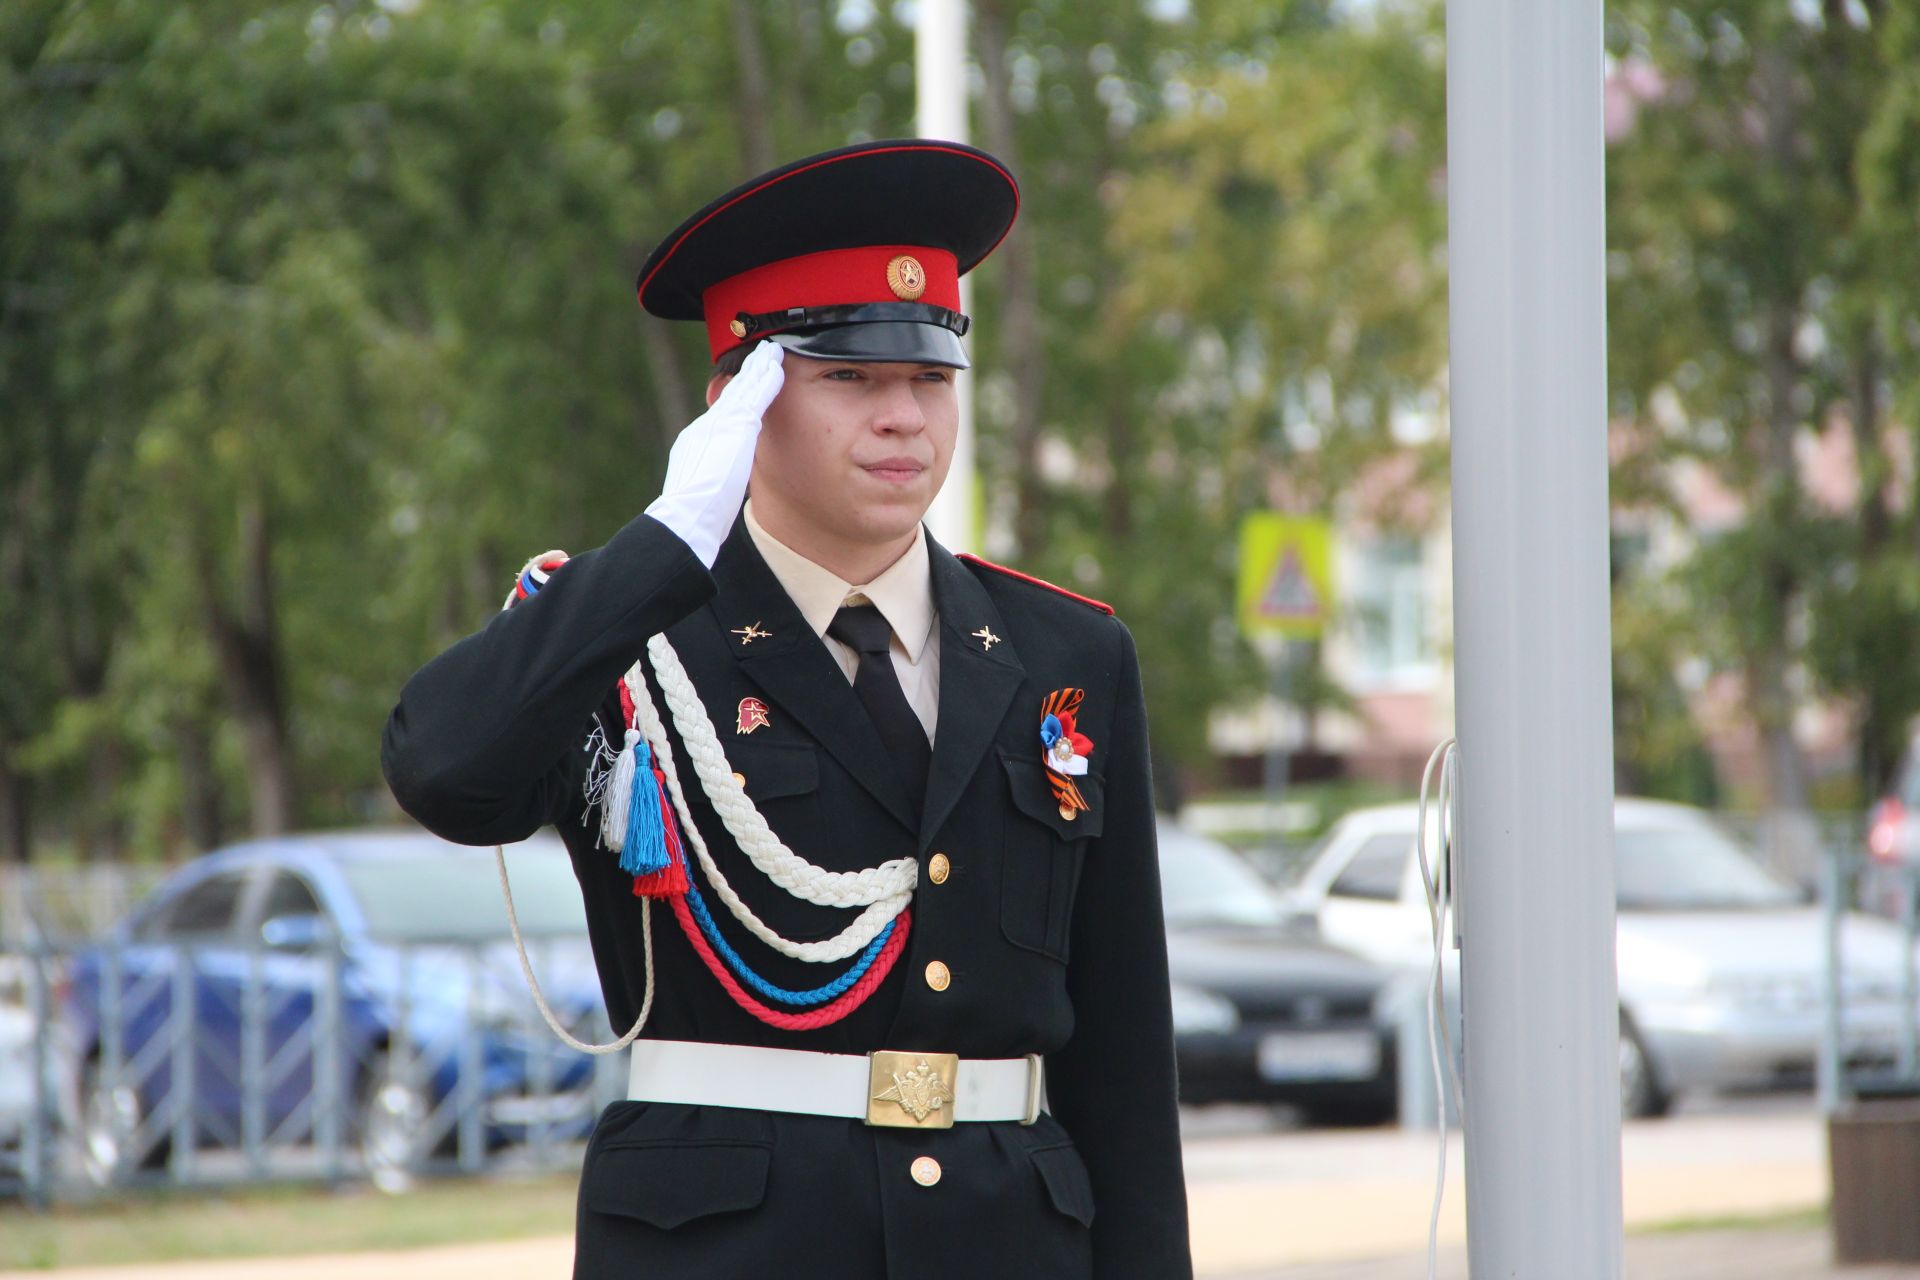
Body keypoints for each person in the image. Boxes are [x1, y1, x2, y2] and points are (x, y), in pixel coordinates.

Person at [381, 139, 1191, 1280]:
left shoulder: (1067, 651)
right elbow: (443, 767)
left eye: (929, 378)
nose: (904, 418)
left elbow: (1122, 1065)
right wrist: (663, 543)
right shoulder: (629, 639)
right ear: (738, 402)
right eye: (850, 378)